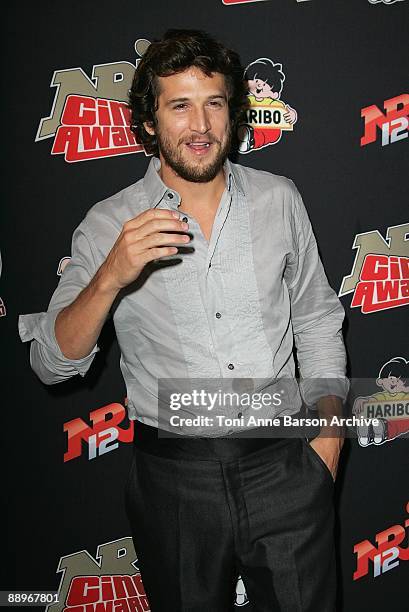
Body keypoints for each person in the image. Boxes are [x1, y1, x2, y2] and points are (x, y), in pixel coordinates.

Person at [19, 29, 349, 612]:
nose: (200, 125)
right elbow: (51, 364)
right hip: (174, 481)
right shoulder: (108, 223)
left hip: (285, 469)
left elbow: (317, 317)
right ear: (149, 123)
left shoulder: (279, 198)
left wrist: (325, 444)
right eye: (179, 105)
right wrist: (111, 275)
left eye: (214, 103)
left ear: (233, 114)